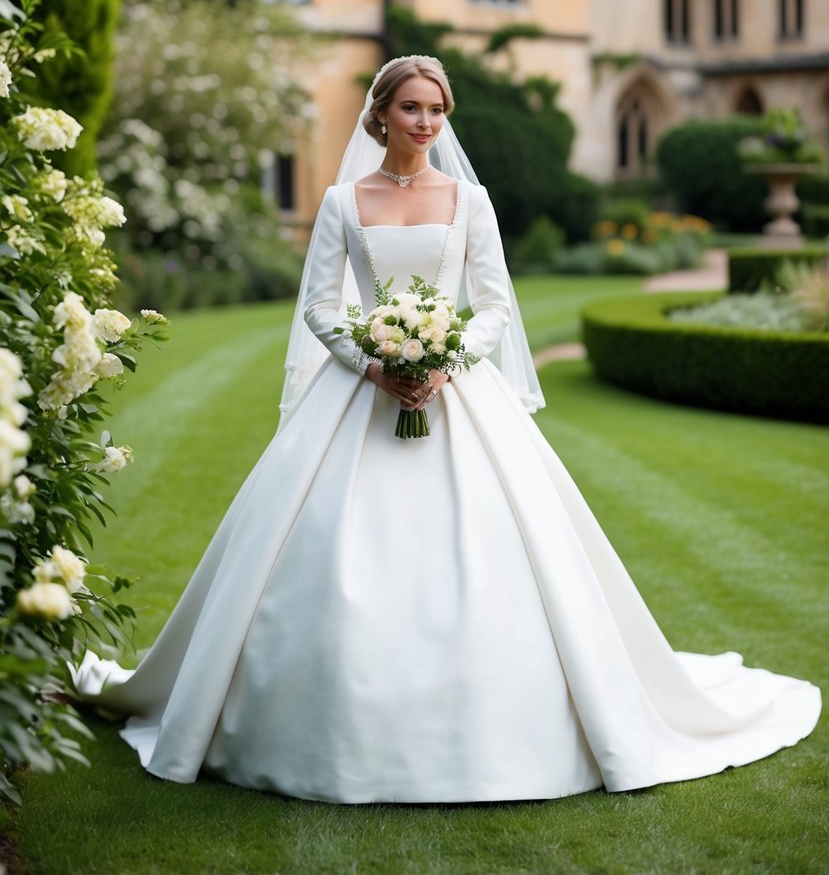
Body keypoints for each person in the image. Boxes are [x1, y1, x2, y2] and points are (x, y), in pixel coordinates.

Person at [75, 55, 820, 803]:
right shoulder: (341, 202)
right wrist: (373, 365)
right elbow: (321, 307)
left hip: (455, 390)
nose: (424, 121)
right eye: (409, 108)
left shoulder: (470, 200)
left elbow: (493, 305)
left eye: (435, 108)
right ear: (381, 115)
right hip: (357, 393)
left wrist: (442, 362)